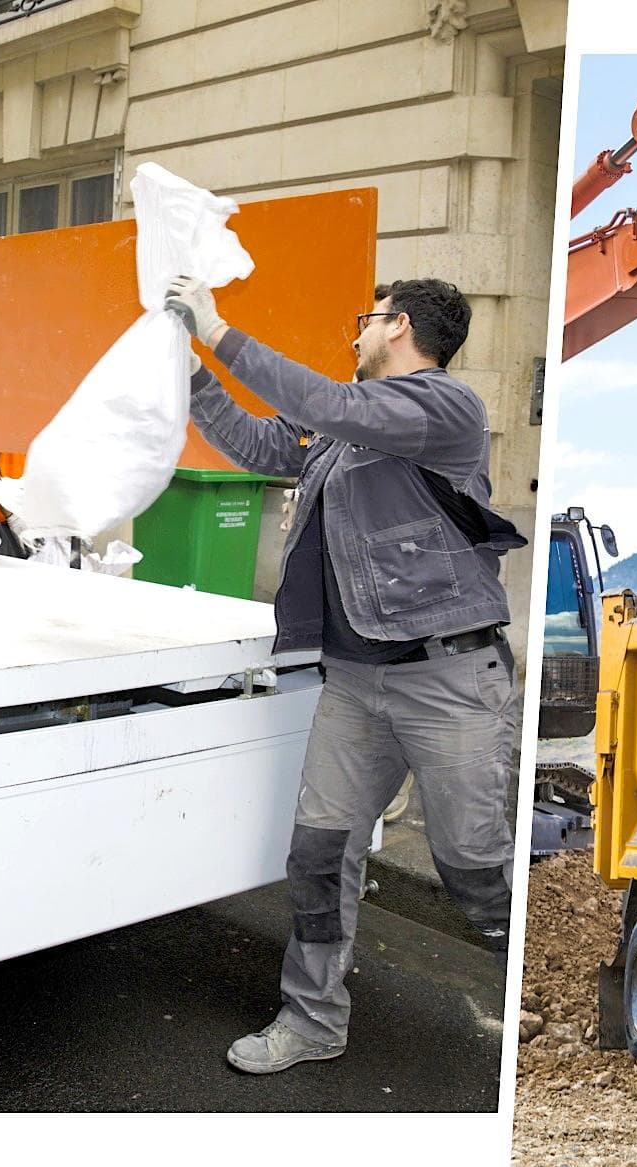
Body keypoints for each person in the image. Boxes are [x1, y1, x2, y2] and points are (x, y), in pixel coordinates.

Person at [164, 274, 525, 1074]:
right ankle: (312, 1020)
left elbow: (334, 404)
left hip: (450, 681)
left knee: (473, 866)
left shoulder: (442, 408)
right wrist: (187, 373)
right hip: (355, 683)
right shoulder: (343, 428)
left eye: (365, 320)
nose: (354, 333)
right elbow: (264, 445)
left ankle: (529, 987)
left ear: (397, 326)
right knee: (320, 854)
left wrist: (219, 331)